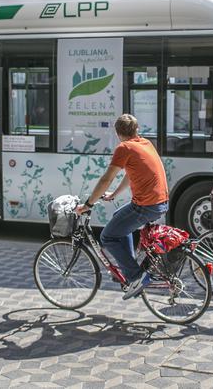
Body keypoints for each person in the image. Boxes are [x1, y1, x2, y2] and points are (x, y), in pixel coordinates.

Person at [75, 114, 169, 300]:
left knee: (107, 237)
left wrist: (88, 204)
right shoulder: (145, 143)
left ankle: (135, 276)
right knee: (120, 216)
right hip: (161, 202)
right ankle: (129, 266)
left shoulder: (124, 147)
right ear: (137, 129)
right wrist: (114, 195)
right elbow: (131, 173)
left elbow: (106, 179)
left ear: (118, 133)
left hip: (146, 206)